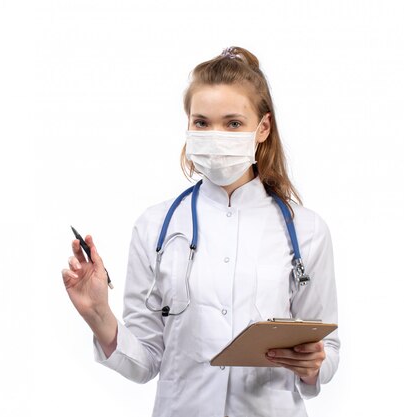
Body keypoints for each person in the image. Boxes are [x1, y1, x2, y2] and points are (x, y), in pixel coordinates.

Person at [61, 46, 339, 417]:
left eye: (233, 123)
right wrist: (98, 313)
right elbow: (144, 361)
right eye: (202, 122)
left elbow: (328, 348)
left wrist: (315, 364)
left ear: (263, 128)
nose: (215, 134)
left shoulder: (306, 231)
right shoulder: (155, 227)